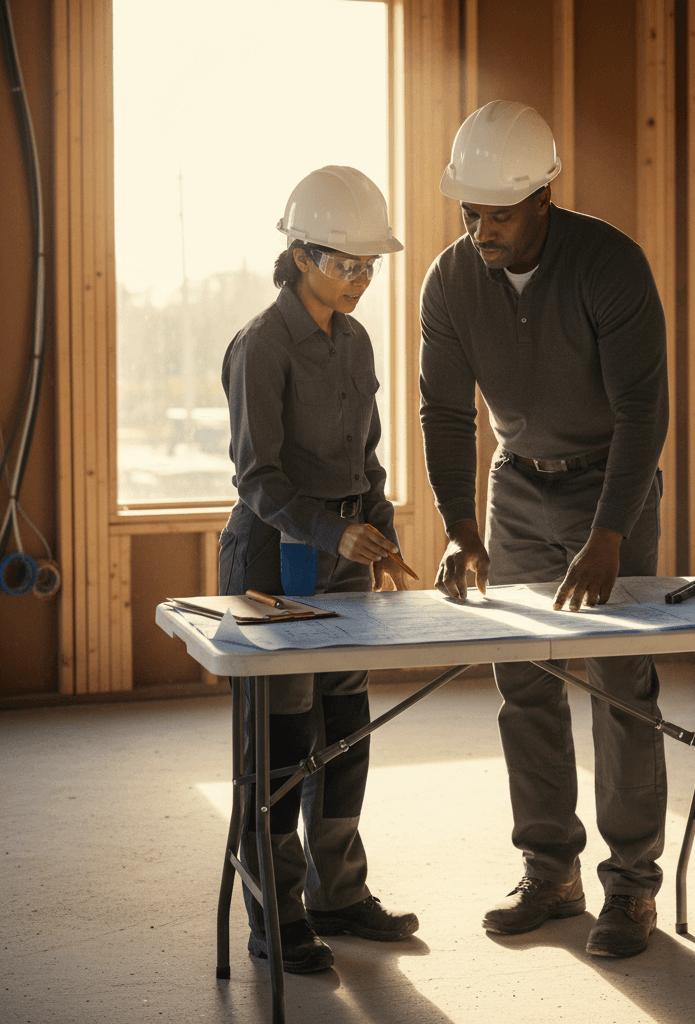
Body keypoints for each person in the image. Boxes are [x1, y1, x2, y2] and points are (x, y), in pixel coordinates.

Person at [419, 101, 670, 958]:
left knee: (617, 684)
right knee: (522, 680)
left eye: (498, 212)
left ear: (543, 198)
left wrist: (611, 534)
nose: (481, 228)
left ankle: (631, 889)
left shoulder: (610, 265)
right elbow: (446, 412)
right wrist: (459, 527)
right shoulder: (450, 281)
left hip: (611, 480)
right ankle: (550, 870)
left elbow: (644, 412)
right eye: (470, 211)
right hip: (515, 484)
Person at [219, 166, 418, 974]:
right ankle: (278, 916)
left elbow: (364, 459)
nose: (361, 281)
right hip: (277, 558)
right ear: (301, 255)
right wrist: (335, 535)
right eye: (347, 266)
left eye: (370, 267)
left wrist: (380, 530)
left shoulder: (358, 339)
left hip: (342, 558)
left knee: (345, 732)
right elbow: (259, 480)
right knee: (280, 744)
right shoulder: (260, 347)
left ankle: (340, 895)